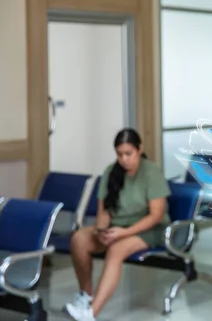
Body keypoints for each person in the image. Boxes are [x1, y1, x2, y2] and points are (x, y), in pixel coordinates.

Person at [64, 128, 171, 321]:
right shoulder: (111, 172)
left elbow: (156, 215)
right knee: (79, 239)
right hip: (118, 228)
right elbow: (104, 212)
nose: (124, 159)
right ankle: (85, 296)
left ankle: (91, 313)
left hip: (150, 229)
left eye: (128, 154)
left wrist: (124, 233)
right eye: (120, 154)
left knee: (116, 250)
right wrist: (101, 230)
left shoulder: (151, 172)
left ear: (139, 149)